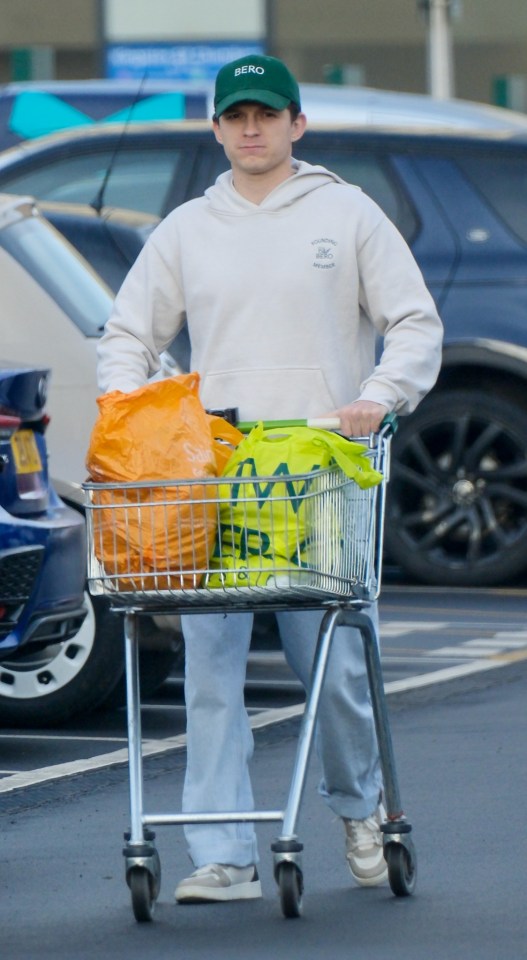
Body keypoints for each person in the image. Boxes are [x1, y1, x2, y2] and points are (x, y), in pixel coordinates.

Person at [97, 54, 443, 904]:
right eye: (235, 116)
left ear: (296, 123)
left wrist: (376, 397)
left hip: (320, 467)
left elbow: (412, 321)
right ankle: (224, 856)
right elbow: (127, 334)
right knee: (211, 669)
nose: (251, 129)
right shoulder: (186, 227)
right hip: (214, 472)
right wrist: (124, 401)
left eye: (267, 114)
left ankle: (360, 811)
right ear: (216, 129)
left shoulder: (347, 214)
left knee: (330, 664)